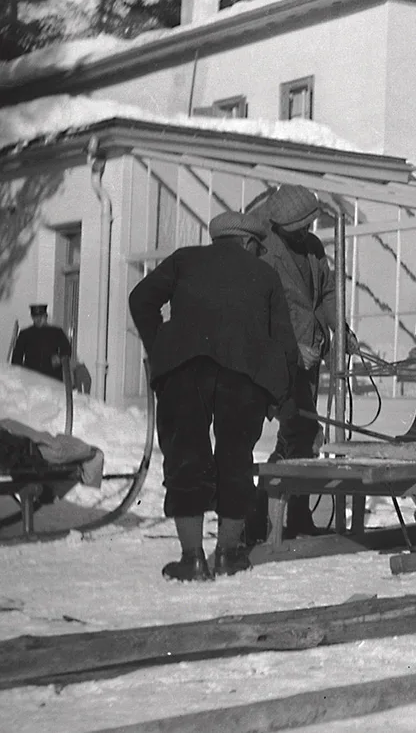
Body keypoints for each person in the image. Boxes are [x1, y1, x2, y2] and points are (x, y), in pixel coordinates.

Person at [129, 211, 297, 582]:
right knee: (235, 458)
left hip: (185, 370)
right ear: (249, 242)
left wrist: (161, 346)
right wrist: (278, 394)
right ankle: (227, 555)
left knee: (186, 456)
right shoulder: (265, 275)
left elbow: (141, 298)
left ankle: (192, 559)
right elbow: (284, 344)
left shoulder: (184, 260)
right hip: (244, 376)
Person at [247, 184, 339, 537]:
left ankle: (296, 516)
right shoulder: (263, 251)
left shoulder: (313, 248)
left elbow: (328, 292)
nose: (305, 232)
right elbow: (259, 312)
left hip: (311, 355)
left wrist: (339, 329)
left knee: (304, 438)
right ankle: (257, 518)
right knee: (294, 435)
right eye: (298, 227)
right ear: (281, 225)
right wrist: (290, 349)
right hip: (281, 359)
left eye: (308, 225)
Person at [11, 304, 72, 381]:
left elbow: (67, 349)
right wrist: (21, 372)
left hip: (52, 376)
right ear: (32, 317)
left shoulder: (57, 332)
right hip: (31, 376)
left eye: (41, 316)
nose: (38, 319)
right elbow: (16, 356)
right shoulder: (25, 334)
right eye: (36, 316)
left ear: (46, 316)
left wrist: (59, 358)